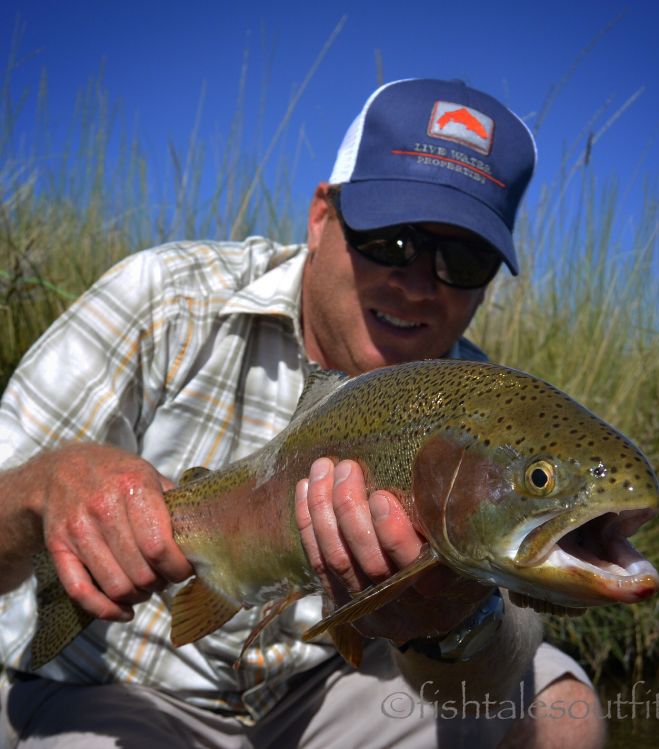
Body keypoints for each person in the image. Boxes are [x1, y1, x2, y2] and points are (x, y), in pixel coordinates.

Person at [0, 79, 605, 748]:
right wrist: (39, 490)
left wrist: (452, 624)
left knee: (561, 715)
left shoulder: (493, 417)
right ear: (321, 216)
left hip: (332, 692)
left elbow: (483, 681)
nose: (415, 280)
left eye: (461, 259)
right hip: (118, 694)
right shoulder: (165, 298)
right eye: (388, 238)